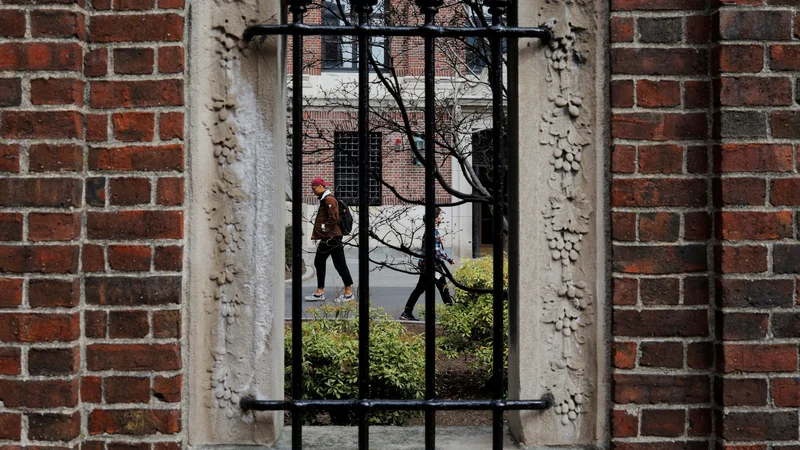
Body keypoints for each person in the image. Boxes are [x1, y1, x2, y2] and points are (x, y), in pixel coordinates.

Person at [305, 177, 354, 302]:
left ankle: (348, 292)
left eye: (314, 188)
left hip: (332, 237)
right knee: (321, 262)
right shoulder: (324, 199)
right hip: (329, 237)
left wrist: (324, 227)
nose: (313, 191)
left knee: (339, 264)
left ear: (321, 187)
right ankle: (320, 291)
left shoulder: (329, 199)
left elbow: (334, 218)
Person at [400, 207, 454, 321]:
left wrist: (448, 259)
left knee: (422, 289)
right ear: (435, 219)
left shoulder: (431, 231)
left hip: (429, 264)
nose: (441, 217)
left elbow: (436, 250)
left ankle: (407, 312)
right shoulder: (432, 232)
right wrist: (448, 259)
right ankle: (453, 315)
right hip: (433, 265)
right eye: (440, 215)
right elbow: (437, 251)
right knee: (443, 289)